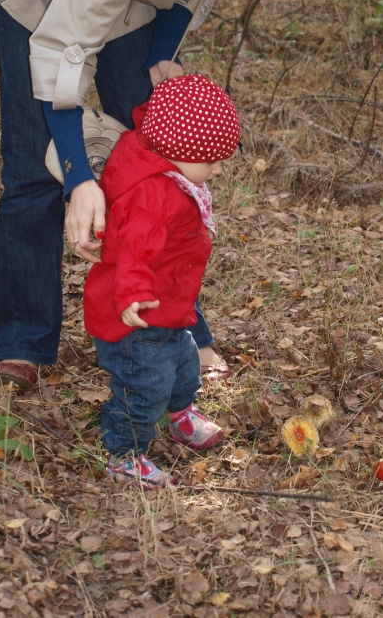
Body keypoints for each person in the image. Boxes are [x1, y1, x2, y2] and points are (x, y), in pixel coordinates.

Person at [0, 0, 325, 390]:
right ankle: (22, 341)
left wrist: (162, 55)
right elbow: (66, 49)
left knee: (155, 140)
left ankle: (173, 325)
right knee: (30, 165)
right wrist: (78, 176)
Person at [84, 73, 240, 486]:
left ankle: (181, 415)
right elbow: (135, 250)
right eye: (212, 160)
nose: (219, 169)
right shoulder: (152, 194)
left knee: (185, 365)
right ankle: (124, 453)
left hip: (170, 304)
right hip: (138, 314)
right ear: (178, 150)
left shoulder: (167, 165)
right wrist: (134, 296)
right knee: (145, 385)